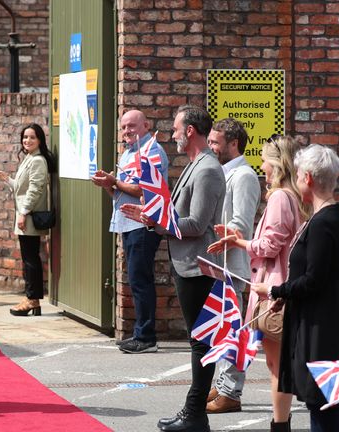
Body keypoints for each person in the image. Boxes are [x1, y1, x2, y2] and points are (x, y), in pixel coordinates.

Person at [122, 105, 225, 432]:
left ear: (191, 131)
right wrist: (152, 218)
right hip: (188, 262)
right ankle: (194, 413)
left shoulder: (207, 168)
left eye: (178, 129)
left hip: (198, 265)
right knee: (199, 340)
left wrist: (157, 222)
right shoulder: (196, 164)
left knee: (201, 342)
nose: (174, 135)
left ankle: (195, 415)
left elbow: (196, 223)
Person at [208, 135, 308, 431]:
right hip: (283, 285)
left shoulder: (280, 197)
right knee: (280, 363)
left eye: (264, 159)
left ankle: (280, 424)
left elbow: (269, 245)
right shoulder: (295, 195)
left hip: (272, 288)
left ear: (276, 164)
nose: (261, 164)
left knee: (277, 366)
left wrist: (239, 241)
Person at [250, 144, 339, 432]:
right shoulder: (327, 218)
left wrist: (275, 292)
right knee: (319, 401)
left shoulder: (323, 222)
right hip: (320, 318)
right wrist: (285, 295)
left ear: (307, 178)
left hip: (321, 324)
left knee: (320, 402)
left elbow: (314, 279)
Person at [91, 109, 168, 354]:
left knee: (140, 280)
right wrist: (109, 185)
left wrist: (114, 181)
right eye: (123, 127)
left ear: (146, 125)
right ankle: (140, 334)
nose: (127, 131)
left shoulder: (151, 151)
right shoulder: (128, 153)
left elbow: (145, 190)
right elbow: (121, 193)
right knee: (136, 279)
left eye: (132, 126)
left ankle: (146, 338)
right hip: (129, 223)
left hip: (143, 224)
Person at [204, 118, 261, 413]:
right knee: (223, 330)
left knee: (234, 331)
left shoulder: (244, 176)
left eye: (216, 142)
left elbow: (241, 222)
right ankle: (222, 384)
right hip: (219, 264)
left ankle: (231, 392)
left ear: (233, 144)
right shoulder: (224, 173)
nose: (211, 147)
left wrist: (214, 231)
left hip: (235, 266)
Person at [0, 123, 55, 317]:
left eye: (32, 137)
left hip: (28, 216)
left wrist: (24, 212)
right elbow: (22, 187)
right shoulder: (29, 158)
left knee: (31, 259)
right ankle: (31, 298)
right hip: (25, 214)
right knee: (29, 258)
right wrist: (7, 179)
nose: (27, 141)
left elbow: (35, 189)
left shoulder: (38, 160)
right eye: (25, 137)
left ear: (39, 141)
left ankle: (32, 299)